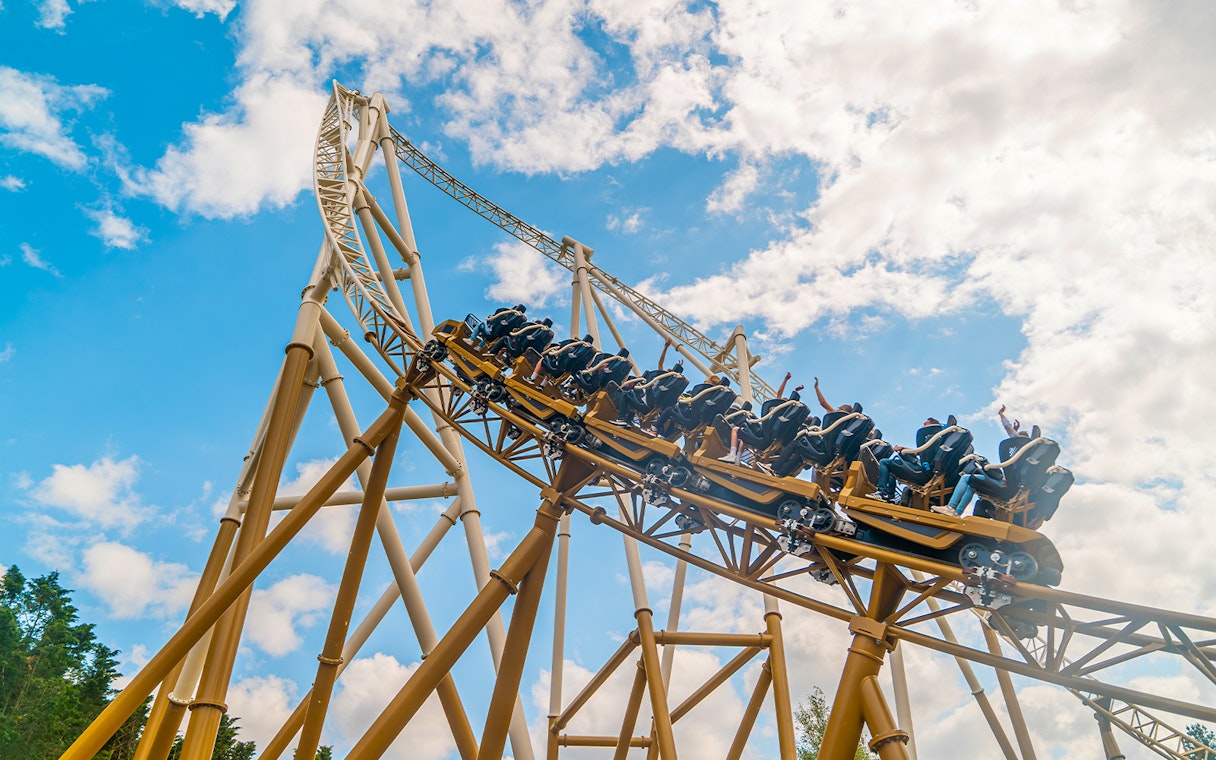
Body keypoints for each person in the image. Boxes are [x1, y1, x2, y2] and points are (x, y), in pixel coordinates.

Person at [873, 417, 941, 501]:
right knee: (892, 467)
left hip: (921, 471)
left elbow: (919, 451)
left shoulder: (932, 439)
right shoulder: (935, 441)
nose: (923, 424)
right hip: (923, 469)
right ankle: (889, 495)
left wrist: (902, 449)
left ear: (932, 426)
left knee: (884, 463)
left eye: (926, 423)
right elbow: (921, 451)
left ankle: (882, 492)